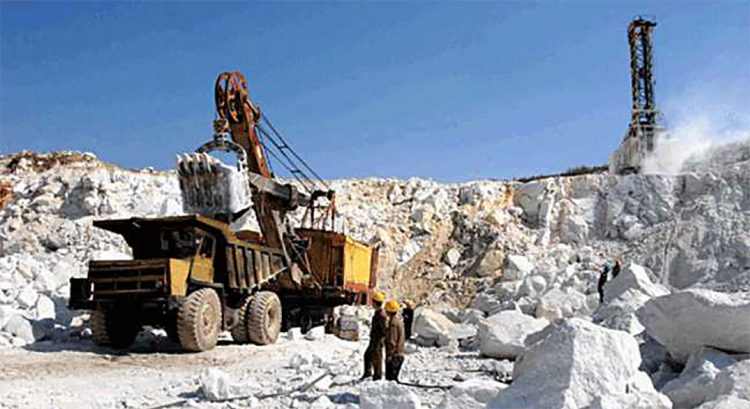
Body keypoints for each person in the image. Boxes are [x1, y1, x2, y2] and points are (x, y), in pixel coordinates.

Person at [362, 290, 387, 380]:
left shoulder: (381, 315)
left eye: (373, 302)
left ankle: (377, 376)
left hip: (377, 340)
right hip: (374, 339)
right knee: (368, 356)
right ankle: (368, 373)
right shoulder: (378, 313)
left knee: (377, 358)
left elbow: (384, 329)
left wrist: (381, 339)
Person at [384, 300, 406, 382]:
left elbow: (392, 341)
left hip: (394, 356)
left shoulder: (392, 323)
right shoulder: (398, 321)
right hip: (398, 355)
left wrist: (389, 355)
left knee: (391, 382)